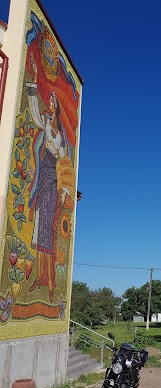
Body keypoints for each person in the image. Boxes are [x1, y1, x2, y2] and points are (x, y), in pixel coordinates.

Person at [27, 53, 73, 302]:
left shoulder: (62, 137)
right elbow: (34, 115)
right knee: (39, 227)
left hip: (55, 181)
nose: (51, 104)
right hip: (44, 176)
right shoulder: (45, 121)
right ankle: (38, 277)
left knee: (50, 229)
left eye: (54, 102)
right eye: (51, 101)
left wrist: (65, 192)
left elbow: (65, 165)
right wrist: (33, 84)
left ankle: (49, 280)